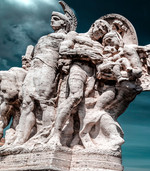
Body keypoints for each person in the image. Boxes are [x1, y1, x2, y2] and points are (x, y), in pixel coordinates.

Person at [12, 7, 75, 146]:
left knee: (45, 101)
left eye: (56, 19)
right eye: (52, 18)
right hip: (34, 69)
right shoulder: (43, 38)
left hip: (49, 68)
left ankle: (46, 134)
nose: (52, 21)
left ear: (64, 23)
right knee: (26, 103)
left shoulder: (68, 37)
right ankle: (20, 139)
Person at [47, 19, 112, 146]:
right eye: (99, 28)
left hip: (93, 75)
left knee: (85, 107)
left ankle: (81, 138)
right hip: (77, 68)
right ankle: (56, 135)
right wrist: (87, 54)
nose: (100, 32)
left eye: (103, 32)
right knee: (75, 97)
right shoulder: (75, 36)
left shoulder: (100, 46)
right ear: (93, 25)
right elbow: (63, 50)